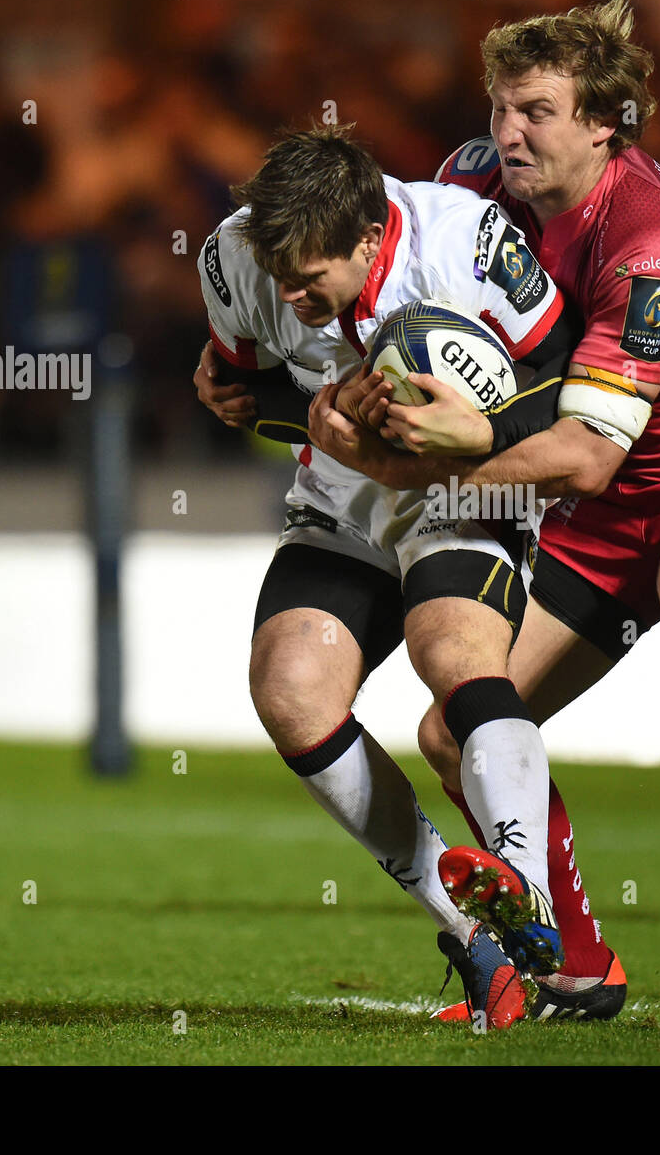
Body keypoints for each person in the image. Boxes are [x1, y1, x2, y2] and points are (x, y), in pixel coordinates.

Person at [308, 0, 660, 993]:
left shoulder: (655, 243)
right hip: (603, 507)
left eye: (536, 112)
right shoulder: (472, 186)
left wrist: (442, 453)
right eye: (499, 107)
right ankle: (577, 963)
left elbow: (586, 455)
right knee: (455, 729)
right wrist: (288, 386)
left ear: (604, 126)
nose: (506, 133)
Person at [193, 125, 589, 1028]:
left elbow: (565, 380)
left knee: (451, 653)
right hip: (340, 498)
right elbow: (234, 385)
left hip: (459, 487)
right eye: (279, 273)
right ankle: (474, 934)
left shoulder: (466, 244)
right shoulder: (235, 256)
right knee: (290, 691)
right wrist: (317, 420)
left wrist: (465, 430)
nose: (292, 296)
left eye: (310, 279)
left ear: (371, 239)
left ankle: (521, 883)